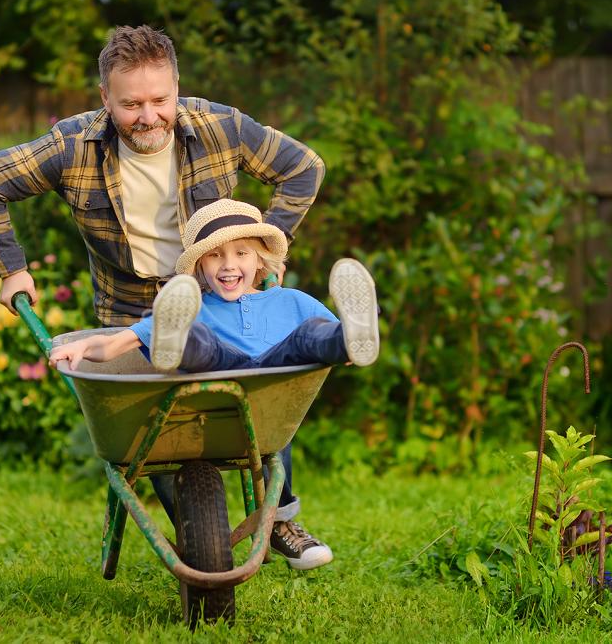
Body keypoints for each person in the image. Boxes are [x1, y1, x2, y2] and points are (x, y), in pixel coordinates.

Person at [0, 25, 328, 566]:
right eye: (131, 104)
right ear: (105, 98)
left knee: (264, 374)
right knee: (158, 434)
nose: (148, 116)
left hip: (215, 296)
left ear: (178, 88)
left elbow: (302, 168)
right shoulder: (74, 145)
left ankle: (278, 520)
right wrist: (11, 270)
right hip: (130, 311)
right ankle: (209, 545)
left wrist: (267, 247)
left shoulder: (221, 127)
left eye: (160, 100)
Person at [49, 199, 380, 570]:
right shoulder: (198, 306)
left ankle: (354, 333)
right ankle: (173, 342)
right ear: (200, 267)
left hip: (270, 382)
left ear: (260, 261)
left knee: (310, 335)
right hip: (216, 374)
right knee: (200, 339)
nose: (228, 264)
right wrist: (79, 347)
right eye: (215, 256)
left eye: (241, 253)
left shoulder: (292, 301)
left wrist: (345, 347)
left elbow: (318, 337)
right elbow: (115, 343)